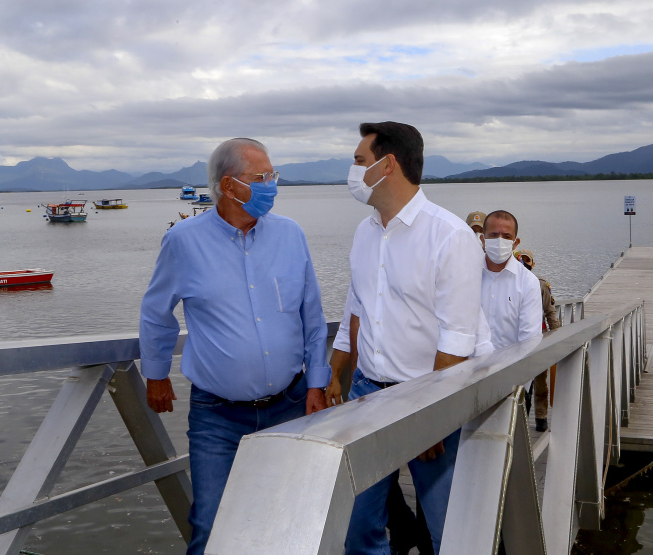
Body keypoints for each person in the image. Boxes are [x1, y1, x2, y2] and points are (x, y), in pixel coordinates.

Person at [139, 138, 330, 555]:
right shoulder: (183, 241)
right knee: (211, 526)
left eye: (273, 175)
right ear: (229, 186)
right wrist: (156, 375)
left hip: (290, 406)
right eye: (262, 177)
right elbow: (156, 313)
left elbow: (312, 316)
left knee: (290, 521)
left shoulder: (290, 234)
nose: (272, 185)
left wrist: (317, 382)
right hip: (217, 417)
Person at [337, 122, 483, 555]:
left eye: (360, 161)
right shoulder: (365, 232)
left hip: (426, 395)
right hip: (367, 395)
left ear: (387, 165)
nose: (353, 171)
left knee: (445, 528)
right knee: (356, 526)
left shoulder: (449, 235)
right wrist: (337, 375)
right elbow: (357, 310)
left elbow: (458, 336)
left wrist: (433, 414)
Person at [479, 211, 542, 351]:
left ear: (515, 243)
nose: (499, 241)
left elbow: (529, 339)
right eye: (493, 235)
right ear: (483, 239)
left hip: (510, 363)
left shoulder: (528, 282)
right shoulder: (467, 274)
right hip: (469, 363)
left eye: (506, 236)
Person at [517, 248, 561, 432]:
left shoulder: (541, 285)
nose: (523, 263)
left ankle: (541, 416)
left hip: (539, 337)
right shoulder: (511, 282)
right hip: (516, 339)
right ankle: (520, 419)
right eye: (519, 259)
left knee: (541, 380)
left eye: (526, 260)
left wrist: (557, 337)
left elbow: (550, 312)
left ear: (533, 264)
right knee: (521, 381)